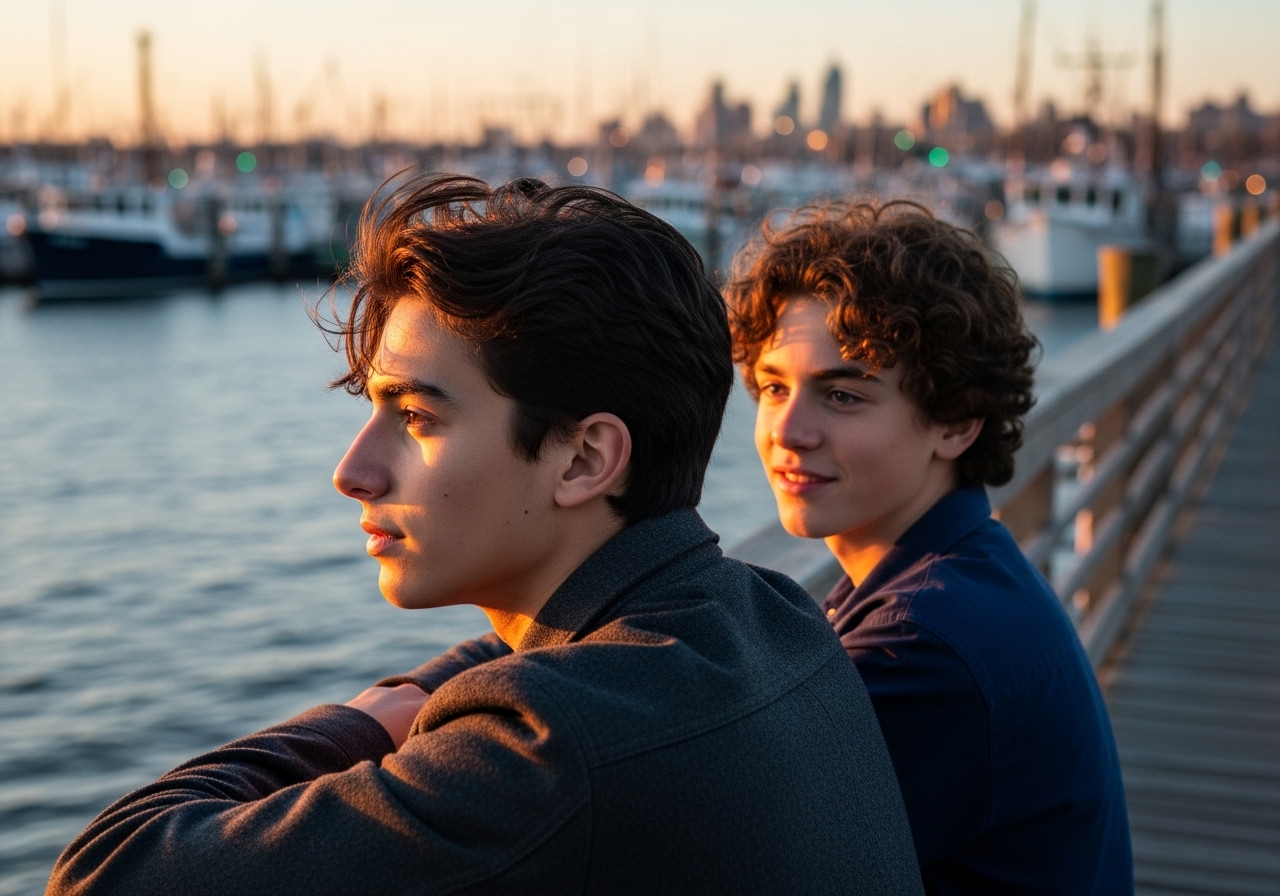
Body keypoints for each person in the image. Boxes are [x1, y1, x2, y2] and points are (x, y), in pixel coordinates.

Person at [47, 175, 923, 896]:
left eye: (417, 416)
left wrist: (362, 721)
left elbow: (105, 873)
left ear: (584, 459)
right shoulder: (771, 617)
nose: (353, 470)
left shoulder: (545, 748)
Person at [726, 201, 1133, 895]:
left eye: (844, 396)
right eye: (773, 387)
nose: (787, 432)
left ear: (956, 424)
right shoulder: (954, 574)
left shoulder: (922, 647)